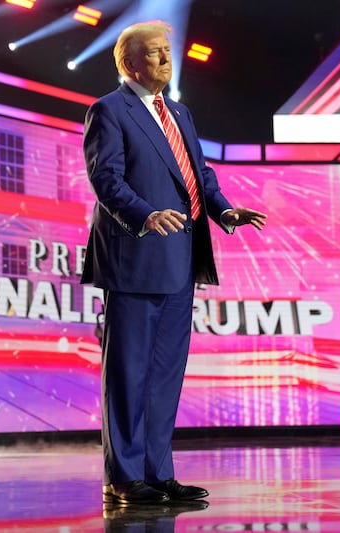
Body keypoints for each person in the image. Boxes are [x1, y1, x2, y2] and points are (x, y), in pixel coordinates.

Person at [81, 20, 267, 505]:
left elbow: (198, 174)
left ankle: (157, 472)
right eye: (157, 53)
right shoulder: (109, 110)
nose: (167, 60)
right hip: (135, 258)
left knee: (165, 375)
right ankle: (122, 478)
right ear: (129, 63)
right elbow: (106, 180)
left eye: (169, 52)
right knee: (128, 374)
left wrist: (224, 209)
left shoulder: (179, 112)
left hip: (180, 261)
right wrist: (144, 215)